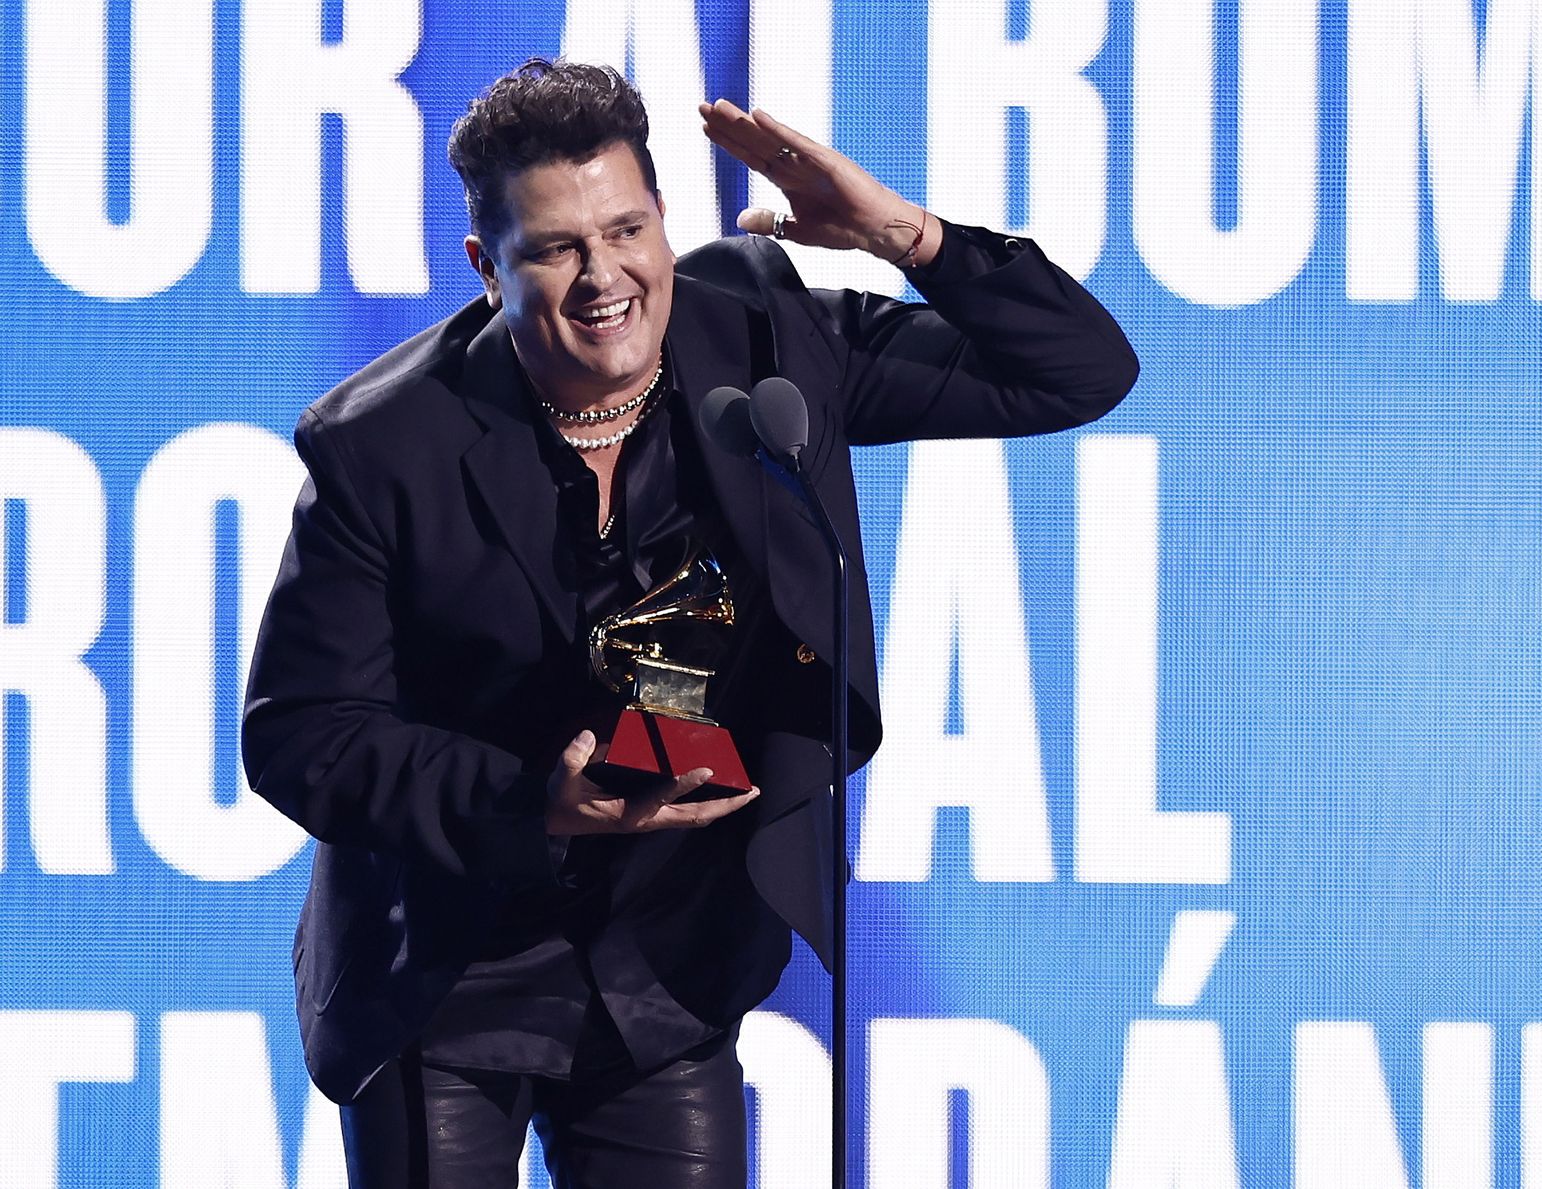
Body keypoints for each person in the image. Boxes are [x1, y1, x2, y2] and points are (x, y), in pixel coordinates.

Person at [242, 57, 1137, 1189]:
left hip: (660, 968)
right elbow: (302, 733)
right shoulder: (381, 445)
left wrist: (900, 236)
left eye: (625, 230)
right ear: (486, 268)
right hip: (447, 971)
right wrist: (535, 801)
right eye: (555, 248)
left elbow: (1078, 372)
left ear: (665, 223)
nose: (603, 275)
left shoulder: (766, 345)